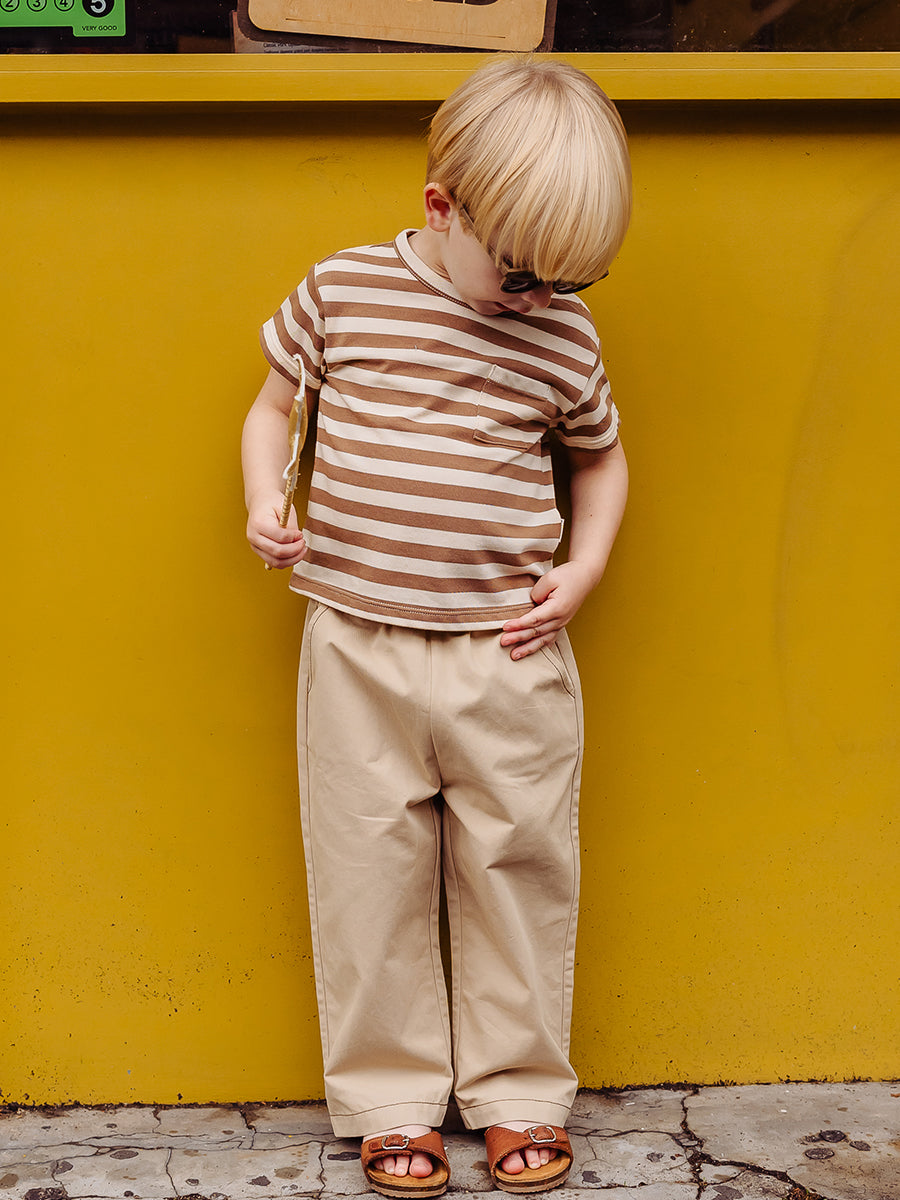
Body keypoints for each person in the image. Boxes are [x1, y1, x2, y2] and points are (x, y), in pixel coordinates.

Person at [242, 55, 632, 1197]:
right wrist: (265, 499)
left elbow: (601, 458)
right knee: (368, 871)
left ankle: (518, 1093)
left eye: (570, 279)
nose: (539, 299)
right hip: (358, 647)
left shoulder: (562, 337)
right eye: (521, 273)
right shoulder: (345, 292)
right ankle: (391, 1102)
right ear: (441, 208)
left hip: (507, 655)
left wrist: (585, 566)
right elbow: (273, 408)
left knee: (521, 867)